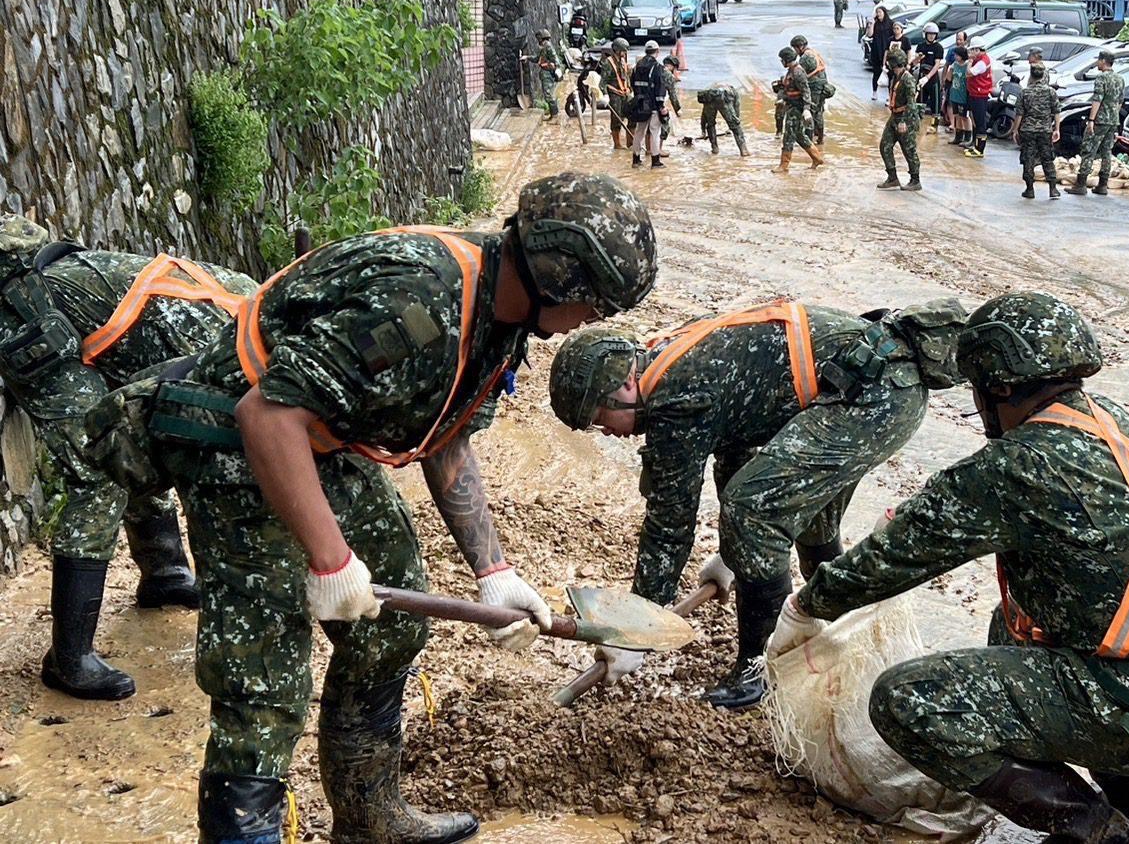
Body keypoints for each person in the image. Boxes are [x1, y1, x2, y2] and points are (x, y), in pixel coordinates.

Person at [85, 173, 658, 844]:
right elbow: (266, 415)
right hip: (233, 442)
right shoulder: (415, 300)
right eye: (593, 307)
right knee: (263, 682)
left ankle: (367, 817)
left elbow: (446, 438)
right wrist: (331, 562)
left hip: (323, 439)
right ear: (558, 277)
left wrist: (493, 571)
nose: (589, 324)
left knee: (390, 625)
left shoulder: (499, 320)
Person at [769, 292, 1129, 844]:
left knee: (907, 701)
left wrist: (805, 607)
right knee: (1010, 622)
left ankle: (1094, 829)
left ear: (999, 387)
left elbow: (893, 559)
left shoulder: (1018, 465)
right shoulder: (1111, 423)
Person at [547, 296, 969, 708]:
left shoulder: (675, 396)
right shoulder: (665, 356)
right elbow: (738, 442)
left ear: (624, 384)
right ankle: (840, 631)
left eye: (600, 417)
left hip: (873, 397)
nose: (605, 431)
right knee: (799, 520)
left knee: (753, 512)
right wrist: (734, 556)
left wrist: (633, 627)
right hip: (875, 386)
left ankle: (759, 667)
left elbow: (669, 525)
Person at [0, 218, 257, 700]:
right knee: (98, 473)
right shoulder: (248, 356)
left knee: (140, 437)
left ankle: (162, 573)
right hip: (32, 319)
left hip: (89, 322)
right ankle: (69, 659)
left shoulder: (257, 312)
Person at [1069, 52, 1126, 196]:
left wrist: (1091, 120)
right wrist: (1113, 115)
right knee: (1107, 151)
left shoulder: (1101, 78)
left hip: (1100, 119)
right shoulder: (1120, 79)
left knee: (1089, 150)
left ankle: (1081, 184)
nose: (1097, 64)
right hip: (1113, 120)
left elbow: (1097, 100)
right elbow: (1120, 101)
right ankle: (1102, 185)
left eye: (1099, 61)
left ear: (1104, 61)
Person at [1012, 61, 1060, 200]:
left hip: (1028, 130)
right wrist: (1057, 128)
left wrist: (1015, 130)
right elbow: (1056, 111)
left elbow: (1019, 114)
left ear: (1031, 75)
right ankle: (1053, 188)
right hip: (1045, 130)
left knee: (1028, 158)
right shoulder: (1051, 91)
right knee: (1047, 158)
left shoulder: (1025, 92)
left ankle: (1030, 188)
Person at [773, 46, 824, 173]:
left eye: (782, 59)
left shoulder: (798, 72)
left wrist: (806, 109)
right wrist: (783, 99)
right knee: (799, 136)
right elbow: (789, 89)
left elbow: (806, 92)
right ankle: (816, 157)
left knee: (788, 136)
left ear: (787, 59)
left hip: (797, 108)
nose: (781, 62)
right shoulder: (791, 71)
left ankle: (784, 165)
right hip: (791, 106)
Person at [878, 48, 922, 191]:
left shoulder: (907, 79)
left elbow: (911, 103)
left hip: (905, 118)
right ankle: (892, 177)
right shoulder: (896, 76)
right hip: (894, 116)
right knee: (885, 145)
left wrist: (904, 122)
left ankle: (915, 180)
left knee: (909, 150)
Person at [628, 41, 667, 169]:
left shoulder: (637, 66)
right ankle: (655, 161)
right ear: (657, 51)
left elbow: (632, 84)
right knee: (655, 131)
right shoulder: (657, 67)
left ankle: (636, 160)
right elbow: (660, 88)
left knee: (639, 131)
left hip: (640, 103)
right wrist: (661, 106)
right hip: (653, 105)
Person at [791, 34, 833, 146]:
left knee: (810, 112)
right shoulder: (813, 53)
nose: (794, 51)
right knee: (819, 112)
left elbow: (798, 74)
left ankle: (808, 141)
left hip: (815, 88)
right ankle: (820, 138)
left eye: (794, 48)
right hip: (823, 86)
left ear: (799, 47)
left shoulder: (805, 57)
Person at [696, 85, 750, 156]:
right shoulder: (734, 94)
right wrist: (731, 127)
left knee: (710, 124)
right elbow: (736, 115)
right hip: (723, 97)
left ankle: (715, 148)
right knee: (735, 125)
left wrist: (703, 131)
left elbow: (704, 117)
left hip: (710, 97)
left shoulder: (708, 93)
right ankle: (744, 150)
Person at [600, 39, 634, 151]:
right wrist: (605, 95)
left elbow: (626, 78)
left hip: (625, 93)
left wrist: (630, 88)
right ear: (617, 50)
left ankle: (631, 142)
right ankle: (617, 144)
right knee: (616, 119)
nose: (625, 53)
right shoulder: (608, 63)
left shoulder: (623, 61)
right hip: (614, 94)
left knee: (633, 116)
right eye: (623, 51)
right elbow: (603, 82)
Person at [914, 23, 946, 133]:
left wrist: (928, 77)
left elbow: (937, 64)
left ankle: (934, 126)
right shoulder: (920, 46)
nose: (931, 36)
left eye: (933, 34)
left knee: (935, 103)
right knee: (919, 102)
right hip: (921, 76)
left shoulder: (938, 48)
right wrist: (918, 58)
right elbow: (915, 61)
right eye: (929, 34)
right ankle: (916, 123)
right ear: (925, 34)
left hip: (932, 78)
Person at [966, 42, 995, 157]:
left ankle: (980, 149)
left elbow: (969, 72)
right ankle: (975, 145)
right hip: (974, 93)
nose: (970, 53)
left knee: (980, 122)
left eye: (972, 50)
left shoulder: (982, 62)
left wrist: (970, 62)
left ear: (978, 50)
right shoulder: (980, 60)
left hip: (980, 94)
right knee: (975, 119)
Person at [944, 45, 973, 153]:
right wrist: (950, 70)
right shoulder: (954, 65)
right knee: (957, 116)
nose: (955, 57)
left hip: (963, 94)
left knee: (964, 116)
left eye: (957, 55)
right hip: (954, 93)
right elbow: (949, 78)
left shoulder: (967, 66)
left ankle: (967, 135)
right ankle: (958, 135)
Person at [534, 29, 562, 120]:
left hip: (548, 73)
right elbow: (537, 59)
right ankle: (552, 114)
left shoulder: (547, 46)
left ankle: (555, 116)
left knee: (549, 95)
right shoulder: (543, 47)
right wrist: (527, 57)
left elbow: (555, 59)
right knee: (548, 94)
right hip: (545, 72)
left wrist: (556, 67)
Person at [867, 7, 893, 99]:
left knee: (889, 73)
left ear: (884, 13)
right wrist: (871, 24)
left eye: (880, 12)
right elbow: (870, 34)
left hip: (886, 49)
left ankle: (889, 95)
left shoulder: (890, 23)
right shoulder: (875, 23)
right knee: (876, 72)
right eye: (877, 12)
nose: (878, 14)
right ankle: (874, 92)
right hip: (876, 50)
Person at [660, 55, 683, 147]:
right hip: (658, 103)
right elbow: (672, 95)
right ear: (673, 66)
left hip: (646, 101)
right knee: (664, 125)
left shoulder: (657, 69)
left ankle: (649, 149)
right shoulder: (668, 74)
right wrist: (678, 109)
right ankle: (658, 149)